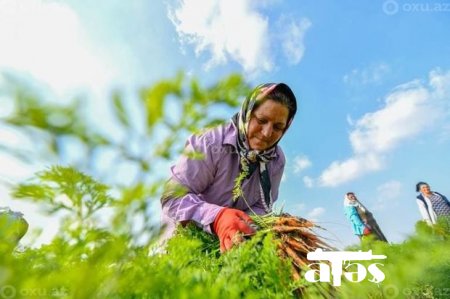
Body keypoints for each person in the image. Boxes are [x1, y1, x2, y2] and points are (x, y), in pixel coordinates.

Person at [160, 83, 297, 252]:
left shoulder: (276, 161)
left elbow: (262, 206)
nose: (267, 133)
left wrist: (251, 227)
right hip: (182, 240)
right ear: (248, 113)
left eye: (278, 127)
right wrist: (217, 217)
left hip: (229, 246)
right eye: (261, 120)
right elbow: (172, 197)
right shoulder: (210, 142)